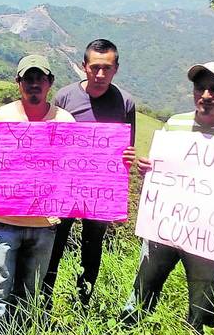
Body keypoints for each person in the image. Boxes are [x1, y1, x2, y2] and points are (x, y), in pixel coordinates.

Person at [120, 62, 214, 332]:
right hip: (163, 229)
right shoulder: (175, 124)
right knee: (141, 290)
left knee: (201, 304)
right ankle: (127, 329)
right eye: (200, 88)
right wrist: (148, 168)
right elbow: (158, 171)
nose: (206, 95)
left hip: (209, 241)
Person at [0, 55, 76, 335]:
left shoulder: (65, 122)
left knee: (28, 296)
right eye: (27, 79)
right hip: (3, 222)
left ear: (49, 83)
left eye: (39, 79)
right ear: (18, 83)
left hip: (44, 226)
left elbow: (75, 169)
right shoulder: (1, 117)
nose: (33, 84)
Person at [43, 39, 141, 309]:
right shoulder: (65, 97)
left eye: (106, 68)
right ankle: (43, 300)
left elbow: (126, 148)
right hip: (65, 187)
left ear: (116, 69)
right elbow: (51, 141)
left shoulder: (125, 103)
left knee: (92, 245)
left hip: (100, 191)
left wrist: (128, 159)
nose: (100, 75)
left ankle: (82, 302)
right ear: (83, 66)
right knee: (55, 243)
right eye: (94, 67)